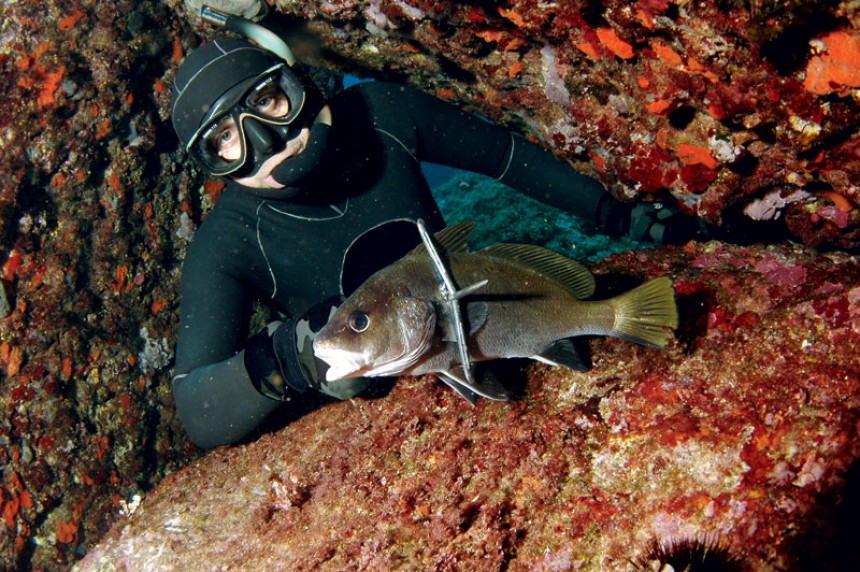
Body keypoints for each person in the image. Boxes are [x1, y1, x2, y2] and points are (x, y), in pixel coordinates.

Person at [168, 11, 701, 448]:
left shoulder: (380, 112)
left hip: (480, 328)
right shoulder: (226, 242)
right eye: (225, 142)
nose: (267, 140)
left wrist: (615, 215)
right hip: (384, 366)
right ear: (211, 166)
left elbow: (505, 157)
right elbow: (199, 412)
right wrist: (289, 359)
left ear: (297, 82)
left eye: (266, 101)